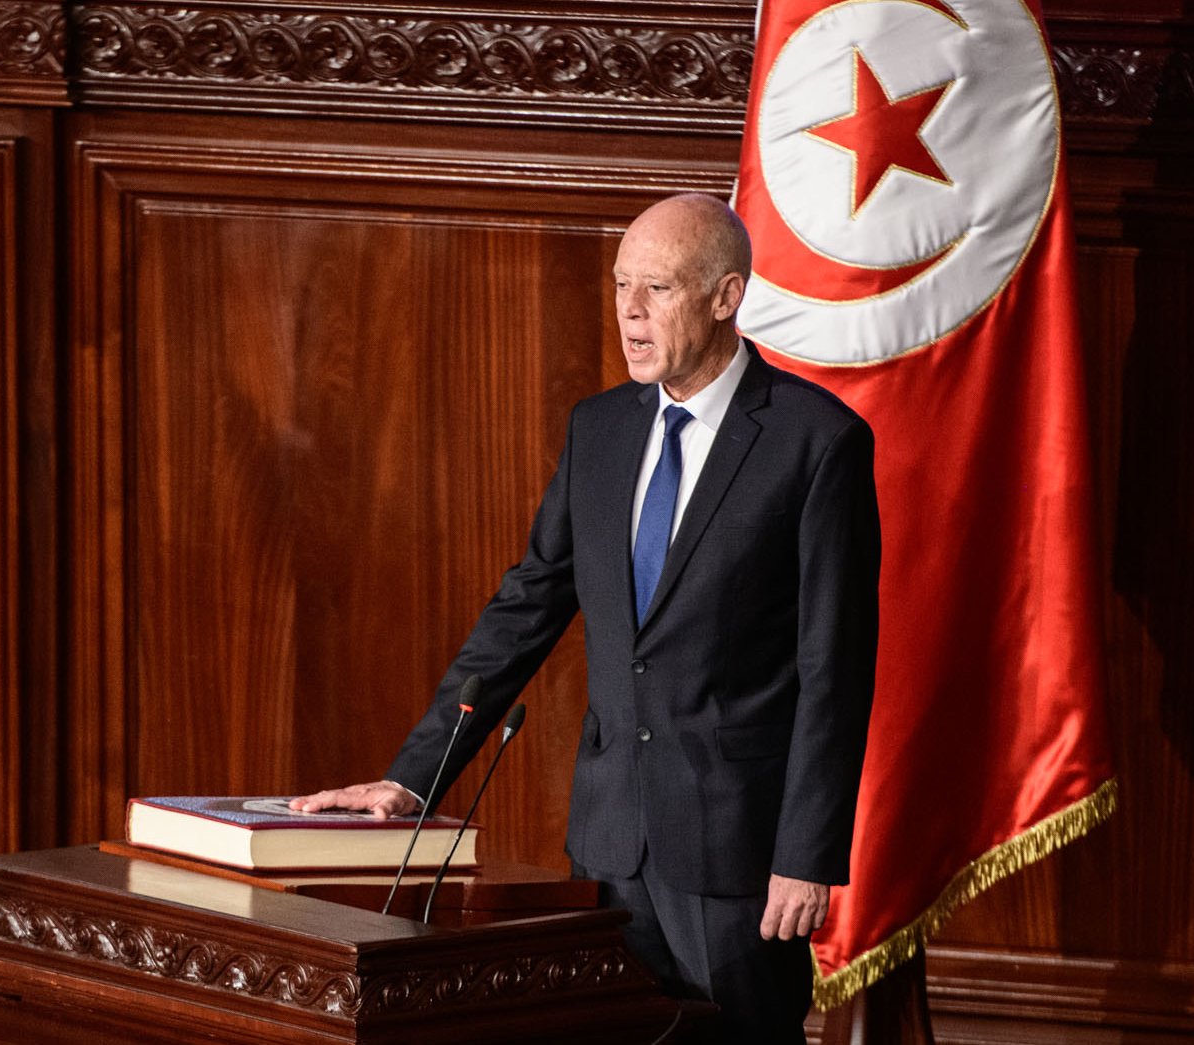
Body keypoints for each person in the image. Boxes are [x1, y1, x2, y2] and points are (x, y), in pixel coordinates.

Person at [291, 193, 879, 1043]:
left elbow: (835, 668)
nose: (630, 313)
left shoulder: (815, 442)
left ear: (726, 296)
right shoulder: (599, 430)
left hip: (738, 854)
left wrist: (807, 854)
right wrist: (415, 777)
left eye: (659, 290)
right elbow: (526, 605)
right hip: (607, 844)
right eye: (620, 286)